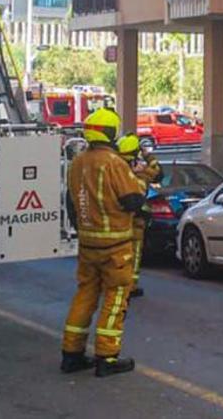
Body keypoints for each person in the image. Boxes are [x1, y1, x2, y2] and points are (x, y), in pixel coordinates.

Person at [60, 108, 145, 378]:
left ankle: (71, 354)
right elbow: (132, 199)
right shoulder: (114, 162)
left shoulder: (77, 162)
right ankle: (106, 357)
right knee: (116, 297)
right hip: (115, 245)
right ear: (110, 132)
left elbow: (70, 203)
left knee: (85, 294)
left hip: (87, 244)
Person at [117, 134, 162, 299]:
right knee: (134, 255)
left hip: (119, 221)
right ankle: (130, 285)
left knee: (118, 254)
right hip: (136, 220)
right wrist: (147, 154)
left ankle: (115, 283)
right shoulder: (141, 172)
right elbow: (158, 172)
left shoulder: (114, 170)